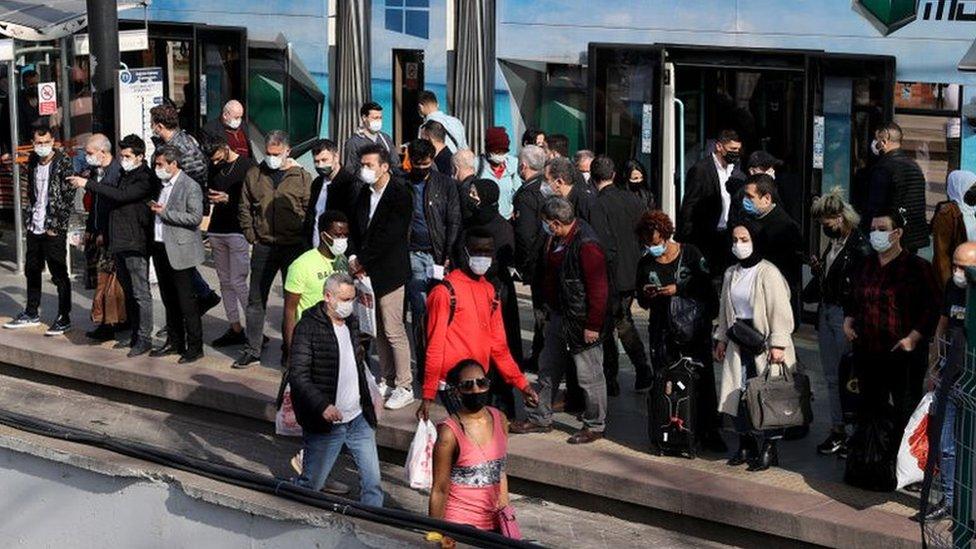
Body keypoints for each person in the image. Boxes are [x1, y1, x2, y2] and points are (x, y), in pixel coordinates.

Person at [511, 197, 610, 445]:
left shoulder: (586, 244)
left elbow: (598, 289)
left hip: (581, 320)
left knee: (589, 375)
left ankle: (595, 424)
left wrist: (593, 325)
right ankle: (539, 417)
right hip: (558, 314)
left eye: (547, 224)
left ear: (556, 223)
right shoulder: (556, 239)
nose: (546, 228)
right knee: (548, 367)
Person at [419, 228, 538, 421]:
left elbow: (498, 346)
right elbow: (434, 345)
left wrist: (522, 384)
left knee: (477, 443)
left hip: (479, 382)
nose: (483, 256)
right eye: (477, 251)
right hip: (454, 385)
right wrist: (428, 394)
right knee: (469, 441)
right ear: (465, 252)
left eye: (488, 251)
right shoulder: (445, 292)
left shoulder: (490, 291)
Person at [844, 209, 940, 435]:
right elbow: (852, 298)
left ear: (897, 233)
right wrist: (848, 322)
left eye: (882, 229)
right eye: (873, 229)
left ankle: (897, 465)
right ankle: (870, 462)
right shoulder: (865, 265)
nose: (876, 234)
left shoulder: (917, 267)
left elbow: (932, 307)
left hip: (902, 354)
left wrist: (913, 338)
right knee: (869, 411)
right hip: (868, 351)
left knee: (903, 411)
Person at [290, 273, 383, 507]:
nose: (348, 304)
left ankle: (373, 527)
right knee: (311, 486)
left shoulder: (351, 322)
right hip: (327, 424)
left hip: (358, 418)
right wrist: (323, 405)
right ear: (328, 297)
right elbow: (298, 375)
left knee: (373, 484)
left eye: (352, 299)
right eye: (344, 299)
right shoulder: (307, 327)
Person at [635, 210, 724, 450]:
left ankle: (708, 430)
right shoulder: (646, 263)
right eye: (647, 244)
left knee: (702, 379)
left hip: (692, 328)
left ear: (665, 235)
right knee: (666, 379)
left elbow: (706, 287)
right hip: (662, 330)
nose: (653, 248)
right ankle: (671, 429)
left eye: (655, 243)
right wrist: (647, 293)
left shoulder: (691, 254)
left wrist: (679, 288)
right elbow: (641, 300)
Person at [714, 221, 796, 471]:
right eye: (735, 239)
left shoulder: (768, 272)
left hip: (764, 341)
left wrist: (778, 344)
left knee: (766, 395)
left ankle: (769, 446)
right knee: (738, 393)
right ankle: (745, 442)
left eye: (744, 239)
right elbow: (725, 310)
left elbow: (781, 310)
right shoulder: (731, 273)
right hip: (738, 340)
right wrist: (721, 339)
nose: (738, 245)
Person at [70, 134, 158, 356]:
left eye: (127, 156)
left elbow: (121, 196)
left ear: (140, 156)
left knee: (140, 292)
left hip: (135, 240)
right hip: (119, 238)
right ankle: (134, 333)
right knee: (128, 290)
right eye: (122, 155)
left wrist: (88, 183)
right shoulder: (125, 174)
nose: (123, 159)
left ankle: (144, 337)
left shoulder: (144, 177)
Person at [235, 130, 313, 369]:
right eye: (268, 153)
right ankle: (252, 349)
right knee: (256, 299)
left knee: (294, 302)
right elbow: (244, 207)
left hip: (293, 247)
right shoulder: (255, 174)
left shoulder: (301, 176)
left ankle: (290, 350)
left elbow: (310, 209)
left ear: (287, 151)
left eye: (277, 154)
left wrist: (305, 240)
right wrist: (251, 235)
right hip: (264, 245)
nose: (272, 157)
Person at [803, 188, 870, 455]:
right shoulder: (834, 245)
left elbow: (860, 288)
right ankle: (838, 428)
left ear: (840, 218)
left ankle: (851, 430)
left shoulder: (859, 247)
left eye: (826, 222)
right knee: (832, 376)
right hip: (827, 311)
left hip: (845, 315)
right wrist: (821, 273)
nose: (824, 227)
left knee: (848, 375)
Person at [349, 144, 414, 410]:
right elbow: (355, 227)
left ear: (384, 166)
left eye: (370, 165)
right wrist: (353, 256)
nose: (365, 170)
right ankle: (387, 378)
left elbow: (391, 235)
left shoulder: (400, 194)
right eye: (362, 165)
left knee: (393, 327)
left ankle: (405, 384)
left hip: (390, 271)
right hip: (366, 274)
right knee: (377, 329)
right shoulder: (363, 193)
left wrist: (362, 260)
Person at [921, 242, 976, 522]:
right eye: (954, 265)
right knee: (944, 442)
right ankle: (951, 501)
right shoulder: (953, 287)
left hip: (973, 377)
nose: (956, 271)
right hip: (950, 373)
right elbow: (942, 325)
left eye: (963, 268)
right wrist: (934, 367)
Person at [454, 196, 522, 416]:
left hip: (499, 299)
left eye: (487, 252)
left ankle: (502, 404)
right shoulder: (452, 288)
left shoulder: (502, 229)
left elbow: (501, 345)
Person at [149, 103, 220, 315]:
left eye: (153, 124)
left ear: (160, 125)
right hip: (165, 213)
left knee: (181, 262)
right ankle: (200, 298)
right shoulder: (168, 143)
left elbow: (197, 177)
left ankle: (201, 299)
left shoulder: (185, 146)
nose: (151, 127)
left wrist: (179, 198)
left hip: (178, 213)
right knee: (177, 263)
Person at [4, 126, 74, 335]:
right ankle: (31, 311)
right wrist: (29, 220)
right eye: (38, 143)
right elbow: (33, 193)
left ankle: (64, 317)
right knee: (32, 269)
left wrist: (56, 225)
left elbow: (68, 197)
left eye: (45, 142)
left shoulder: (63, 162)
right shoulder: (34, 161)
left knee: (59, 273)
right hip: (35, 225)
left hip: (53, 228)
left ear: (52, 141)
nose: (42, 147)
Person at [591, 156, 652, 394]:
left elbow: (601, 243)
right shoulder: (632, 200)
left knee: (610, 326)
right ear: (615, 174)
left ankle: (612, 376)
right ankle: (641, 368)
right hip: (632, 270)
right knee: (624, 322)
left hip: (610, 274)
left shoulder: (598, 205)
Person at [429, 360, 513, 530]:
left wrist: (507, 516)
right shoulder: (449, 432)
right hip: (460, 524)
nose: (476, 390)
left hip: (494, 522)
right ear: (457, 391)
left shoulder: (500, 419)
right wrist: (435, 533)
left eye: (481, 383)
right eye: (468, 385)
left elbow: (500, 472)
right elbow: (439, 489)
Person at [404, 138, 462, 381]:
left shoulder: (445, 184)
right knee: (419, 309)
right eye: (417, 165)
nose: (421, 169)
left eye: (425, 164)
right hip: (413, 253)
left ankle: (442, 362)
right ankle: (425, 363)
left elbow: (453, 220)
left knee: (441, 311)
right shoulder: (402, 183)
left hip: (438, 256)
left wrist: (448, 254)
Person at [148, 146, 206, 364]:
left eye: (161, 164)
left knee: (186, 301)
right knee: (168, 299)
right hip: (160, 246)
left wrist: (165, 213)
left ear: (174, 164)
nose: (158, 169)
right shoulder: (160, 185)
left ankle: (195, 346)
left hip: (180, 250)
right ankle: (174, 341)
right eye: (156, 164)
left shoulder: (189, 186)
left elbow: (195, 218)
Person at [203, 136, 256, 347]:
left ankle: (255, 329)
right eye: (212, 161)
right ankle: (235, 327)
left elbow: (254, 198)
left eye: (217, 158)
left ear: (225, 148)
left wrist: (228, 199)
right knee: (225, 282)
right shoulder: (213, 166)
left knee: (238, 282)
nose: (215, 163)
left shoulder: (247, 165)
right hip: (217, 229)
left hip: (237, 230)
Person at [677, 129, 746, 277]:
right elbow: (689, 207)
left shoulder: (735, 171)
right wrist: (686, 241)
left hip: (728, 236)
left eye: (738, 150)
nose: (736, 153)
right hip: (706, 237)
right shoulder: (701, 170)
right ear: (719, 147)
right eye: (732, 149)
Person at [78, 133, 125, 341]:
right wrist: (90, 228)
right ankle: (110, 320)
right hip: (97, 233)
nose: (87, 157)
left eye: (90, 153)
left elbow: (112, 206)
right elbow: (96, 205)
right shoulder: (97, 172)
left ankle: (110, 324)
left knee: (107, 283)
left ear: (102, 152)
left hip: (110, 236)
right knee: (101, 280)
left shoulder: (115, 173)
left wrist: (104, 232)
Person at [283, 210, 350, 355]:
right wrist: (292, 353)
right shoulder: (301, 265)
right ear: (323, 235)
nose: (342, 239)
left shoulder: (344, 262)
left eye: (345, 235)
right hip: (311, 341)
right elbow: (290, 311)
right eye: (337, 235)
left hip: (340, 339)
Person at [863, 122, 929, 253]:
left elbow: (875, 207)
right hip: (913, 238)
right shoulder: (914, 166)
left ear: (884, 140)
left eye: (877, 139)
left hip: (891, 238)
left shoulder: (884, 168)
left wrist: (866, 230)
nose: (875, 143)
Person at [512, 144, 549, 370]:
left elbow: (524, 234)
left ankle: (540, 357)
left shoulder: (527, 195)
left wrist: (524, 264)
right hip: (547, 259)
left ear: (523, 166)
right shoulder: (546, 188)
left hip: (537, 263)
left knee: (541, 313)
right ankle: (538, 354)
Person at [742, 174, 803, 308]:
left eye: (750, 197)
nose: (745, 201)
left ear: (767, 199)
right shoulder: (751, 219)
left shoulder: (784, 228)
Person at [305, 138, 361, 244]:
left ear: (336, 157)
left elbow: (355, 223)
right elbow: (311, 216)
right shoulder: (317, 183)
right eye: (316, 161)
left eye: (324, 160)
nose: (320, 165)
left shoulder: (350, 184)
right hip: (316, 250)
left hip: (339, 249)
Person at [931, 170, 976, 285]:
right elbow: (942, 254)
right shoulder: (947, 214)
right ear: (959, 188)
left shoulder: (972, 211)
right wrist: (948, 285)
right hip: (958, 275)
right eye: (972, 188)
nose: (974, 192)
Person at [343, 101, 400, 176]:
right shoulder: (354, 142)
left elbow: (395, 162)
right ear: (364, 118)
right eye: (375, 118)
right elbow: (350, 170)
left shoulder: (385, 138)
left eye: (380, 118)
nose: (378, 121)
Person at [475, 127, 521, 219]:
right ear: (489, 150)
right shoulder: (477, 165)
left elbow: (517, 191)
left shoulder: (513, 165)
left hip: (507, 218)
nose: (501, 155)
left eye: (504, 151)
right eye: (497, 152)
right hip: (484, 219)